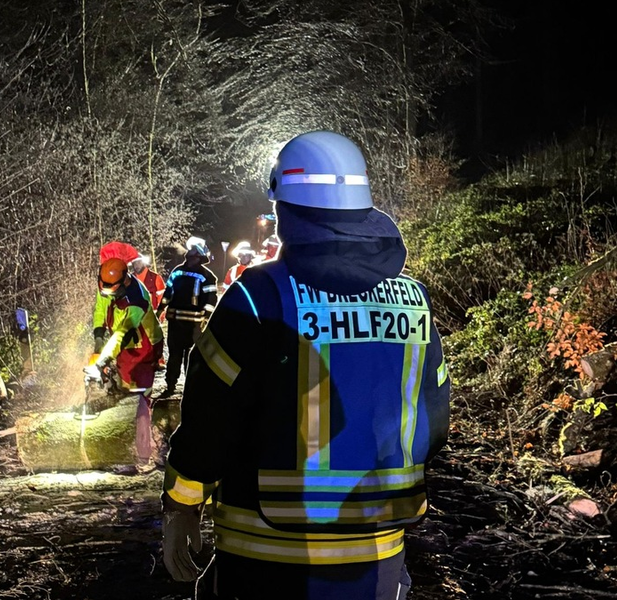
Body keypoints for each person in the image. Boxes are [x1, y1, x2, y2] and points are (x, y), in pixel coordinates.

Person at [160, 131, 451, 599]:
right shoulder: (414, 303)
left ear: (284, 210)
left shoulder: (257, 297)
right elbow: (435, 419)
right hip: (378, 558)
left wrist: (181, 503)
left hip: (265, 554)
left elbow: (210, 419)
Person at [88, 257, 164, 465]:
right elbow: (101, 310)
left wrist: (102, 360)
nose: (107, 294)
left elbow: (123, 332)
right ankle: (120, 441)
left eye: (112, 291)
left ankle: (142, 454)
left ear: (124, 282)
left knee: (139, 399)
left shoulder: (138, 298)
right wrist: (97, 339)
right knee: (121, 390)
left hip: (144, 347)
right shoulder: (107, 283)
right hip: (122, 347)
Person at [154, 236, 218, 399]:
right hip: (186, 323)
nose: (191, 258)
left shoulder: (179, 272)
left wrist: (206, 317)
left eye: (193, 256)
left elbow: (211, 300)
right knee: (180, 356)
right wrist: (161, 308)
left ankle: (183, 387)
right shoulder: (205, 275)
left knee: (186, 356)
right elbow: (169, 294)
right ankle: (178, 386)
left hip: (189, 324)